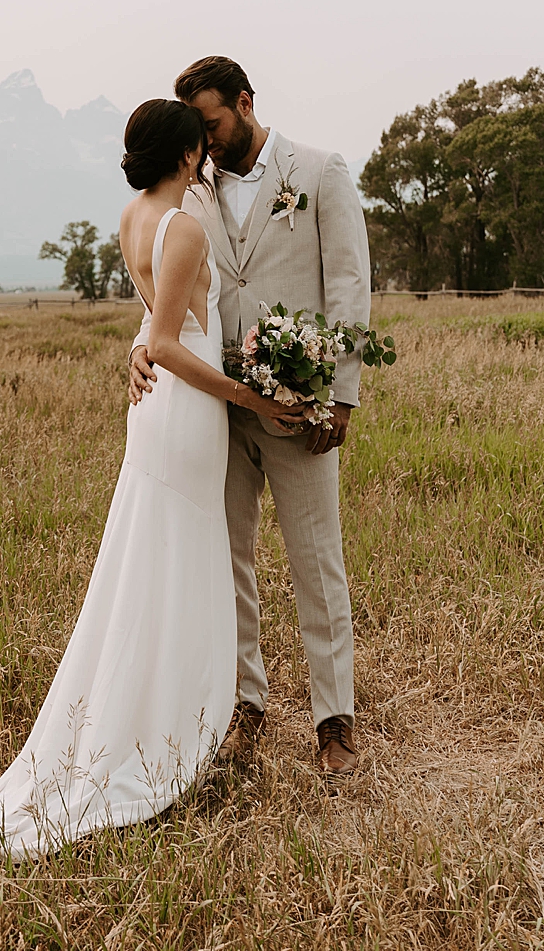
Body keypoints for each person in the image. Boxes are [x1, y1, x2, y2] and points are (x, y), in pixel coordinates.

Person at [0, 98, 304, 858]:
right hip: (187, 412)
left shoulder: (133, 218)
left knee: (153, 559)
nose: (208, 154)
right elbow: (169, 341)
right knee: (177, 556)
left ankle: (156, 718)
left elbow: (150, 327)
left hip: (161, 413)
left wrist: (142, 351)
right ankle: (158, 731)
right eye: (200, 146)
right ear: (185, 156)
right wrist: (248, 394)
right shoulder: (185, 227)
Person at [129, 56, 372, 776]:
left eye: (210, 125)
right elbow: (166, 295)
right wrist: (141, 347)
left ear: (244, 102)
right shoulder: (188, 192)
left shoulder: (321, 172)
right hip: (215, 410)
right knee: (228, 562)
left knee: (316, 563)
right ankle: (246, 706)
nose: (203, 144)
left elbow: (351, 287)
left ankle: (334, 722)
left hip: (301, 408)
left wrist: (342, 393)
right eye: (194, 134)